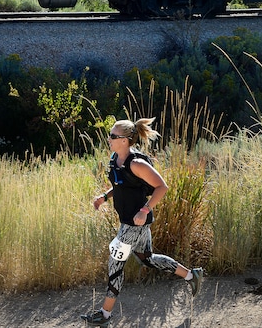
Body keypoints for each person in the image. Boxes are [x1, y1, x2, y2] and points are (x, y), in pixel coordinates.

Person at [81, 118, 203, 327]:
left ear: (126, 140)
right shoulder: (115, 158)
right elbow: (121, 186)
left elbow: (161, 187)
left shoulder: (136, 163)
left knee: (115, 264)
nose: (108, 139)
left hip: (134, 224)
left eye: (113, 136)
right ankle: (192, 275)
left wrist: (145, 210)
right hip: (129, 222)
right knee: (147, 259)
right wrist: (104, 197)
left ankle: (105, 314)